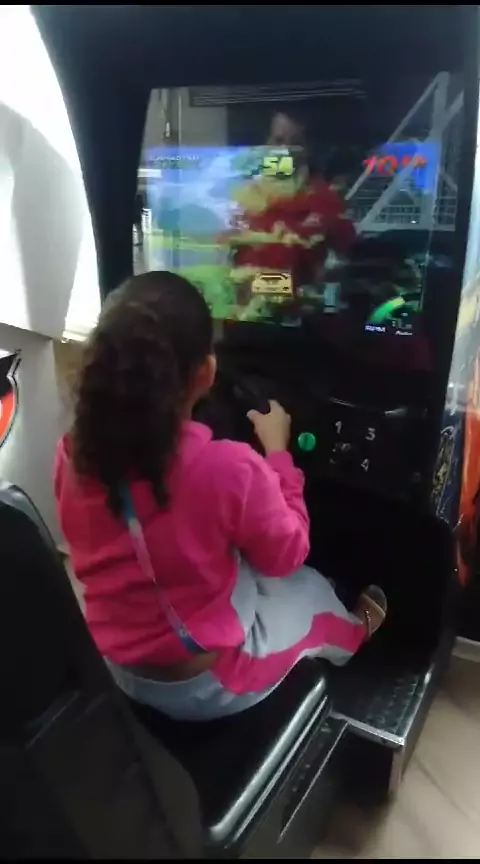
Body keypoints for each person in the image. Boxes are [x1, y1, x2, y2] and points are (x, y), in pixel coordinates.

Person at [54, 271, 387, 722]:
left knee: (239, 566)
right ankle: (355, 633)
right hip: (207, 684)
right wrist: (278, 455)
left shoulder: (71, 454)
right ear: (207, 373)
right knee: (309, 590)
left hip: (119, 669)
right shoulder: (229, 468)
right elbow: (288, 553)